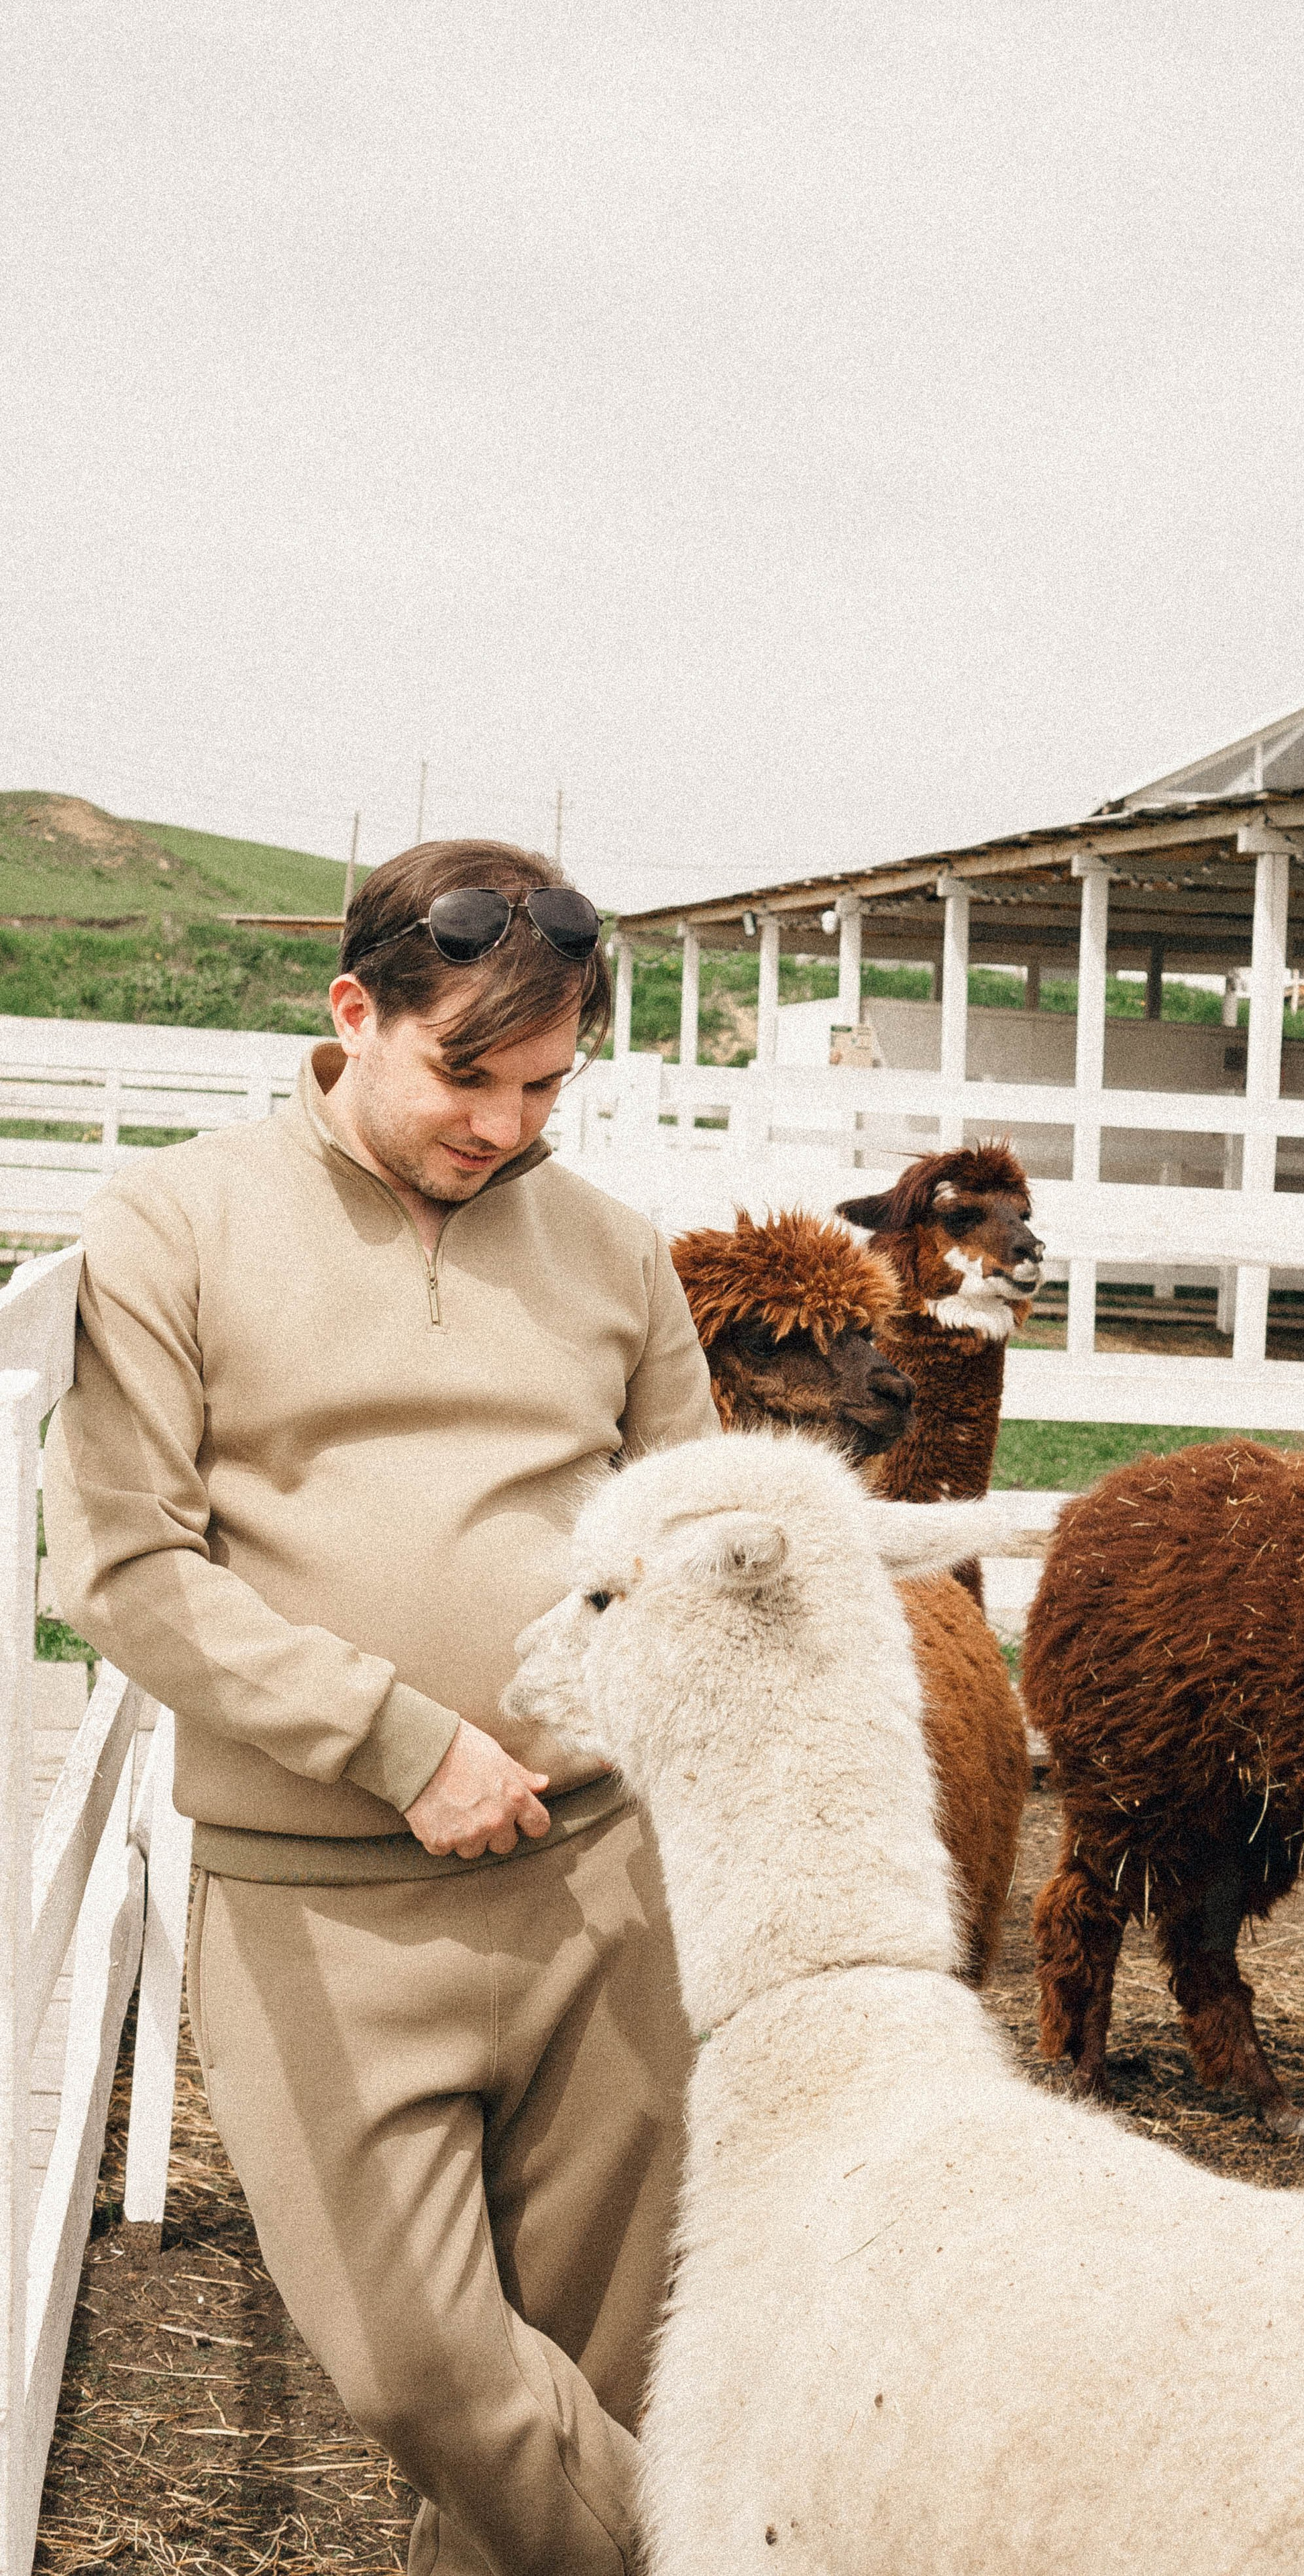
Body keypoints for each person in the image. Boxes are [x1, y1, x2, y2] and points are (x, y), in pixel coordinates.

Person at [44, 839, 718, 2576]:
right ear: (355, 1014)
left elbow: (693, 1537)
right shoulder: (174, 1224)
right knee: (433, 2377)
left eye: (547, 1084)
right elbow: (123, 1567)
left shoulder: (621, 1255)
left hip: (600, 1888)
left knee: (586, 2395)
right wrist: (400, 1741)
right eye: (465, 1075)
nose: (505, 1124)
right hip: (320, 1903)